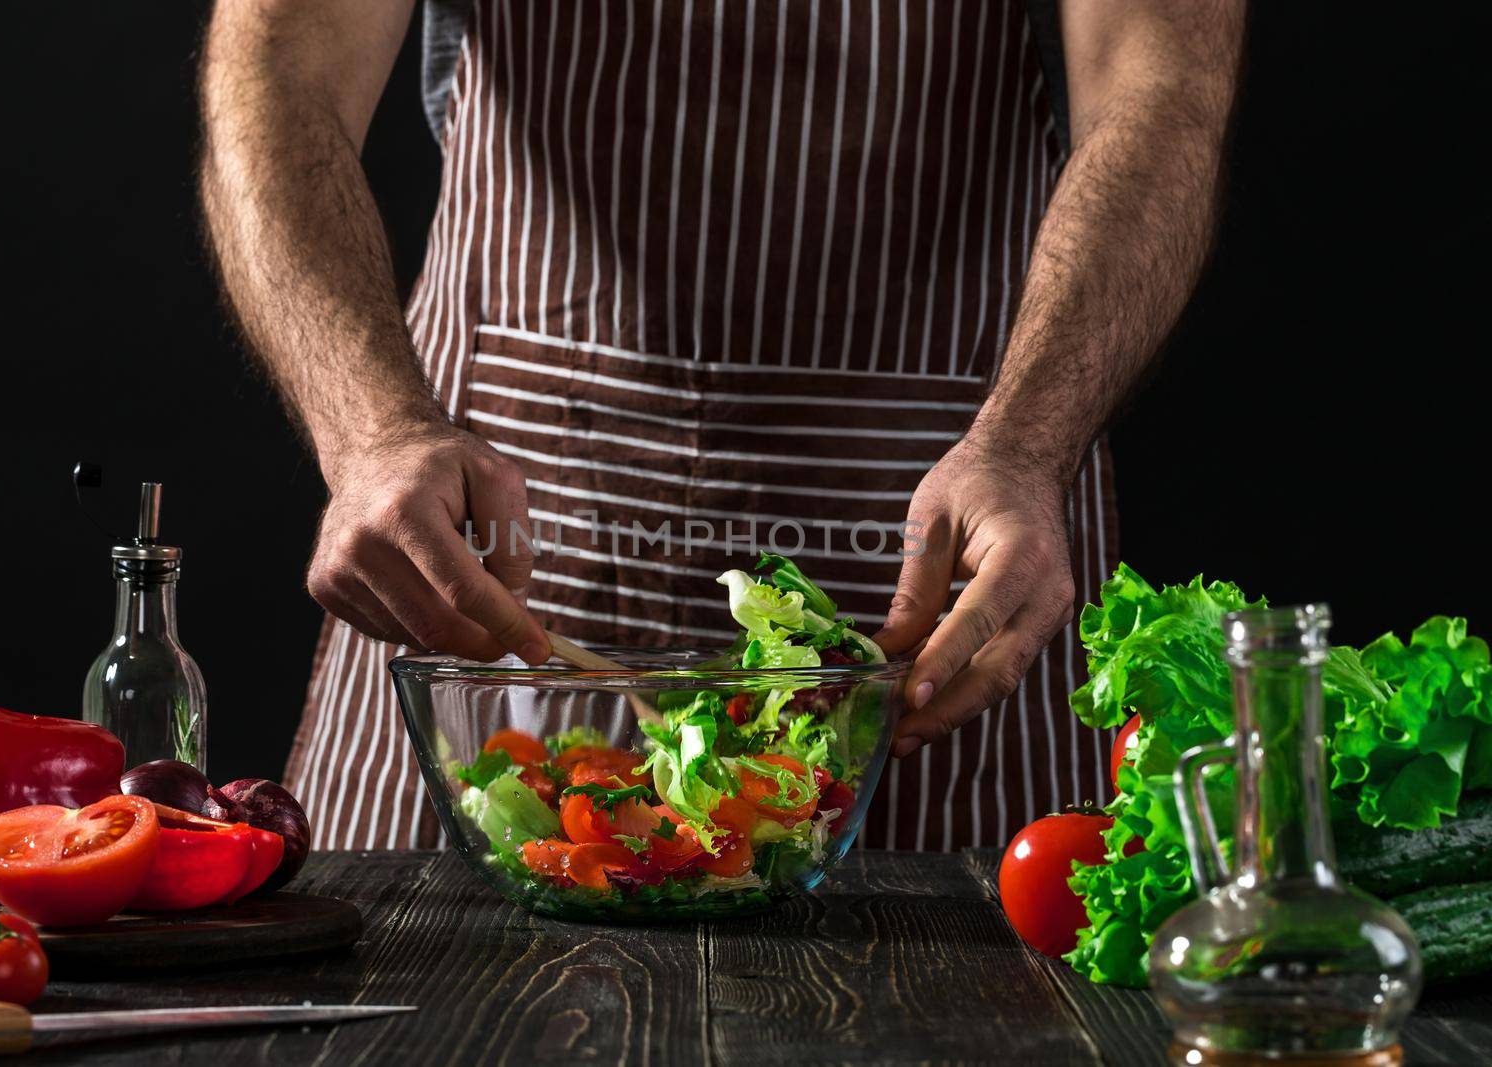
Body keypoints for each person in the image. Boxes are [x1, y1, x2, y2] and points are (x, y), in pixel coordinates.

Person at [200, 0, 1243, 851]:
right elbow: (281, 65)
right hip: (514, 492)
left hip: (956, 510)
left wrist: (1025, 442)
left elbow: (1159, 89)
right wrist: (373, 430)